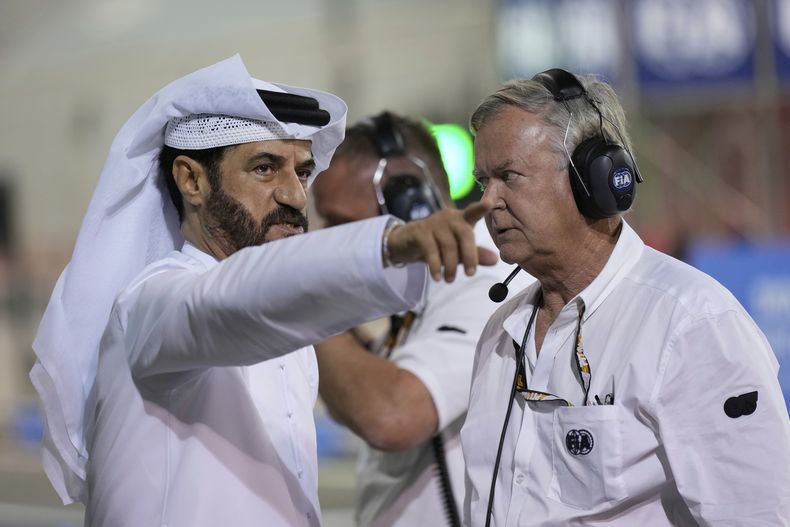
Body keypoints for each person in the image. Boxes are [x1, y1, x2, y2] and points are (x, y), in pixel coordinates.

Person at [29, 55, 495, 527]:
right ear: (192, 180)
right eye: (265, 169)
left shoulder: (290, 341)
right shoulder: (150, 303)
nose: (294, 195)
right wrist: (386, 244)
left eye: (303, 172)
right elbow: (224, 303)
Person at [461, 68, 790, 526]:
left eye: (508, 176)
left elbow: (755, 517)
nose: (489, 201)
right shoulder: (501, 333)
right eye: (483, 182)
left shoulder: (691, 325)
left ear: (591, 180)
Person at [312, 112, 531, 527]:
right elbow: (356, 394)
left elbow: (390, 416)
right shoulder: (417, 289)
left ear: (412, 207)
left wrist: (298, 309)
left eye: (341, 225)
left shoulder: (485, 278)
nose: (328, 243)